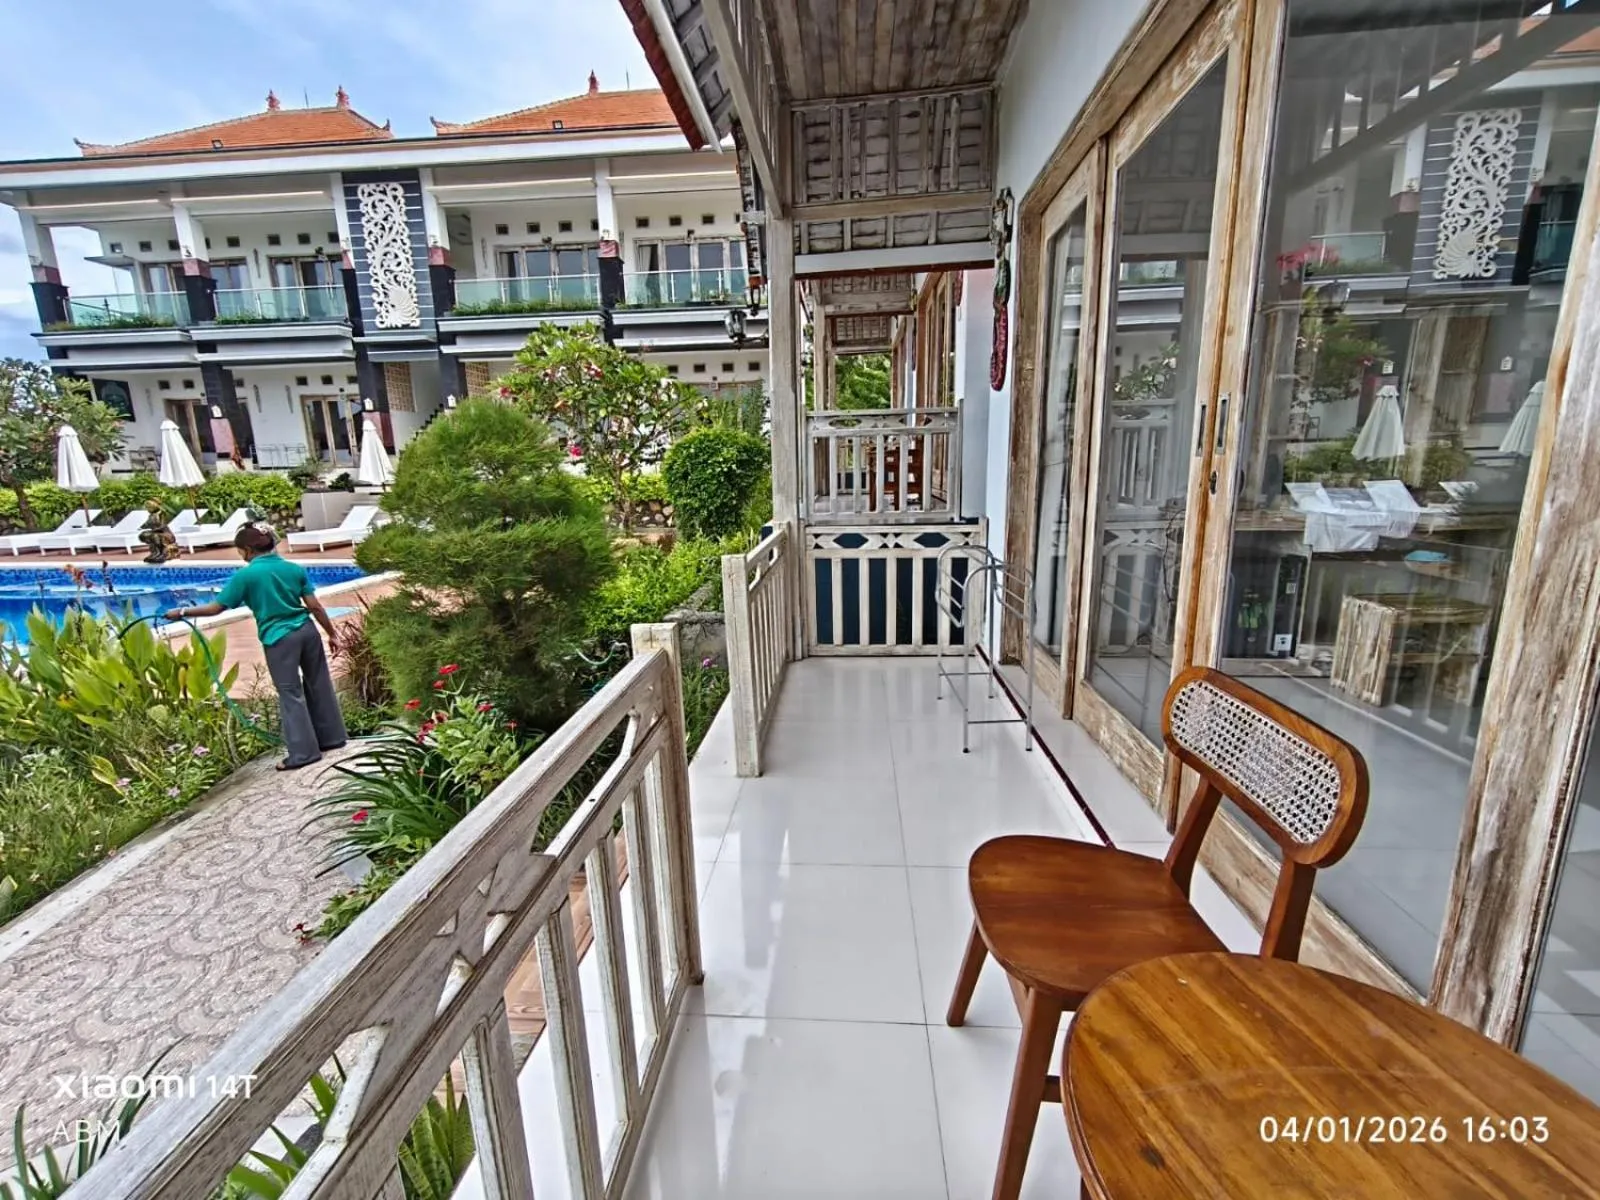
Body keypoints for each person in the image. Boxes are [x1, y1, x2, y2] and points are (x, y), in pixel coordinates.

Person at [165, 524, 347, 770]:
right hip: (307, 631)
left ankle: (303, 754)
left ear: (248, 550)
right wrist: (332, 634)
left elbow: (216, 608)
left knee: (290, 693)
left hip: (279, 638)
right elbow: (314, 606)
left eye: (240, 551)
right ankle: (332, 738)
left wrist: (181, 611)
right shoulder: (293, 568)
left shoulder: (247, 576)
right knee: (319, 682)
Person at [138, 500, 176, 564]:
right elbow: (146, 524)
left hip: (166, 534)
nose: (147, 509)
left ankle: (161, 553)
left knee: (154, 536)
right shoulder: (151, 515)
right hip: (157, 532)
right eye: (147, 508)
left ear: (153, 507)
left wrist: (153, 530)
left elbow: (162, 526)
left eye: (149, 507)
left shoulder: (161, 514)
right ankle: (155, 553)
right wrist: (142, 527)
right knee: (143, 535)